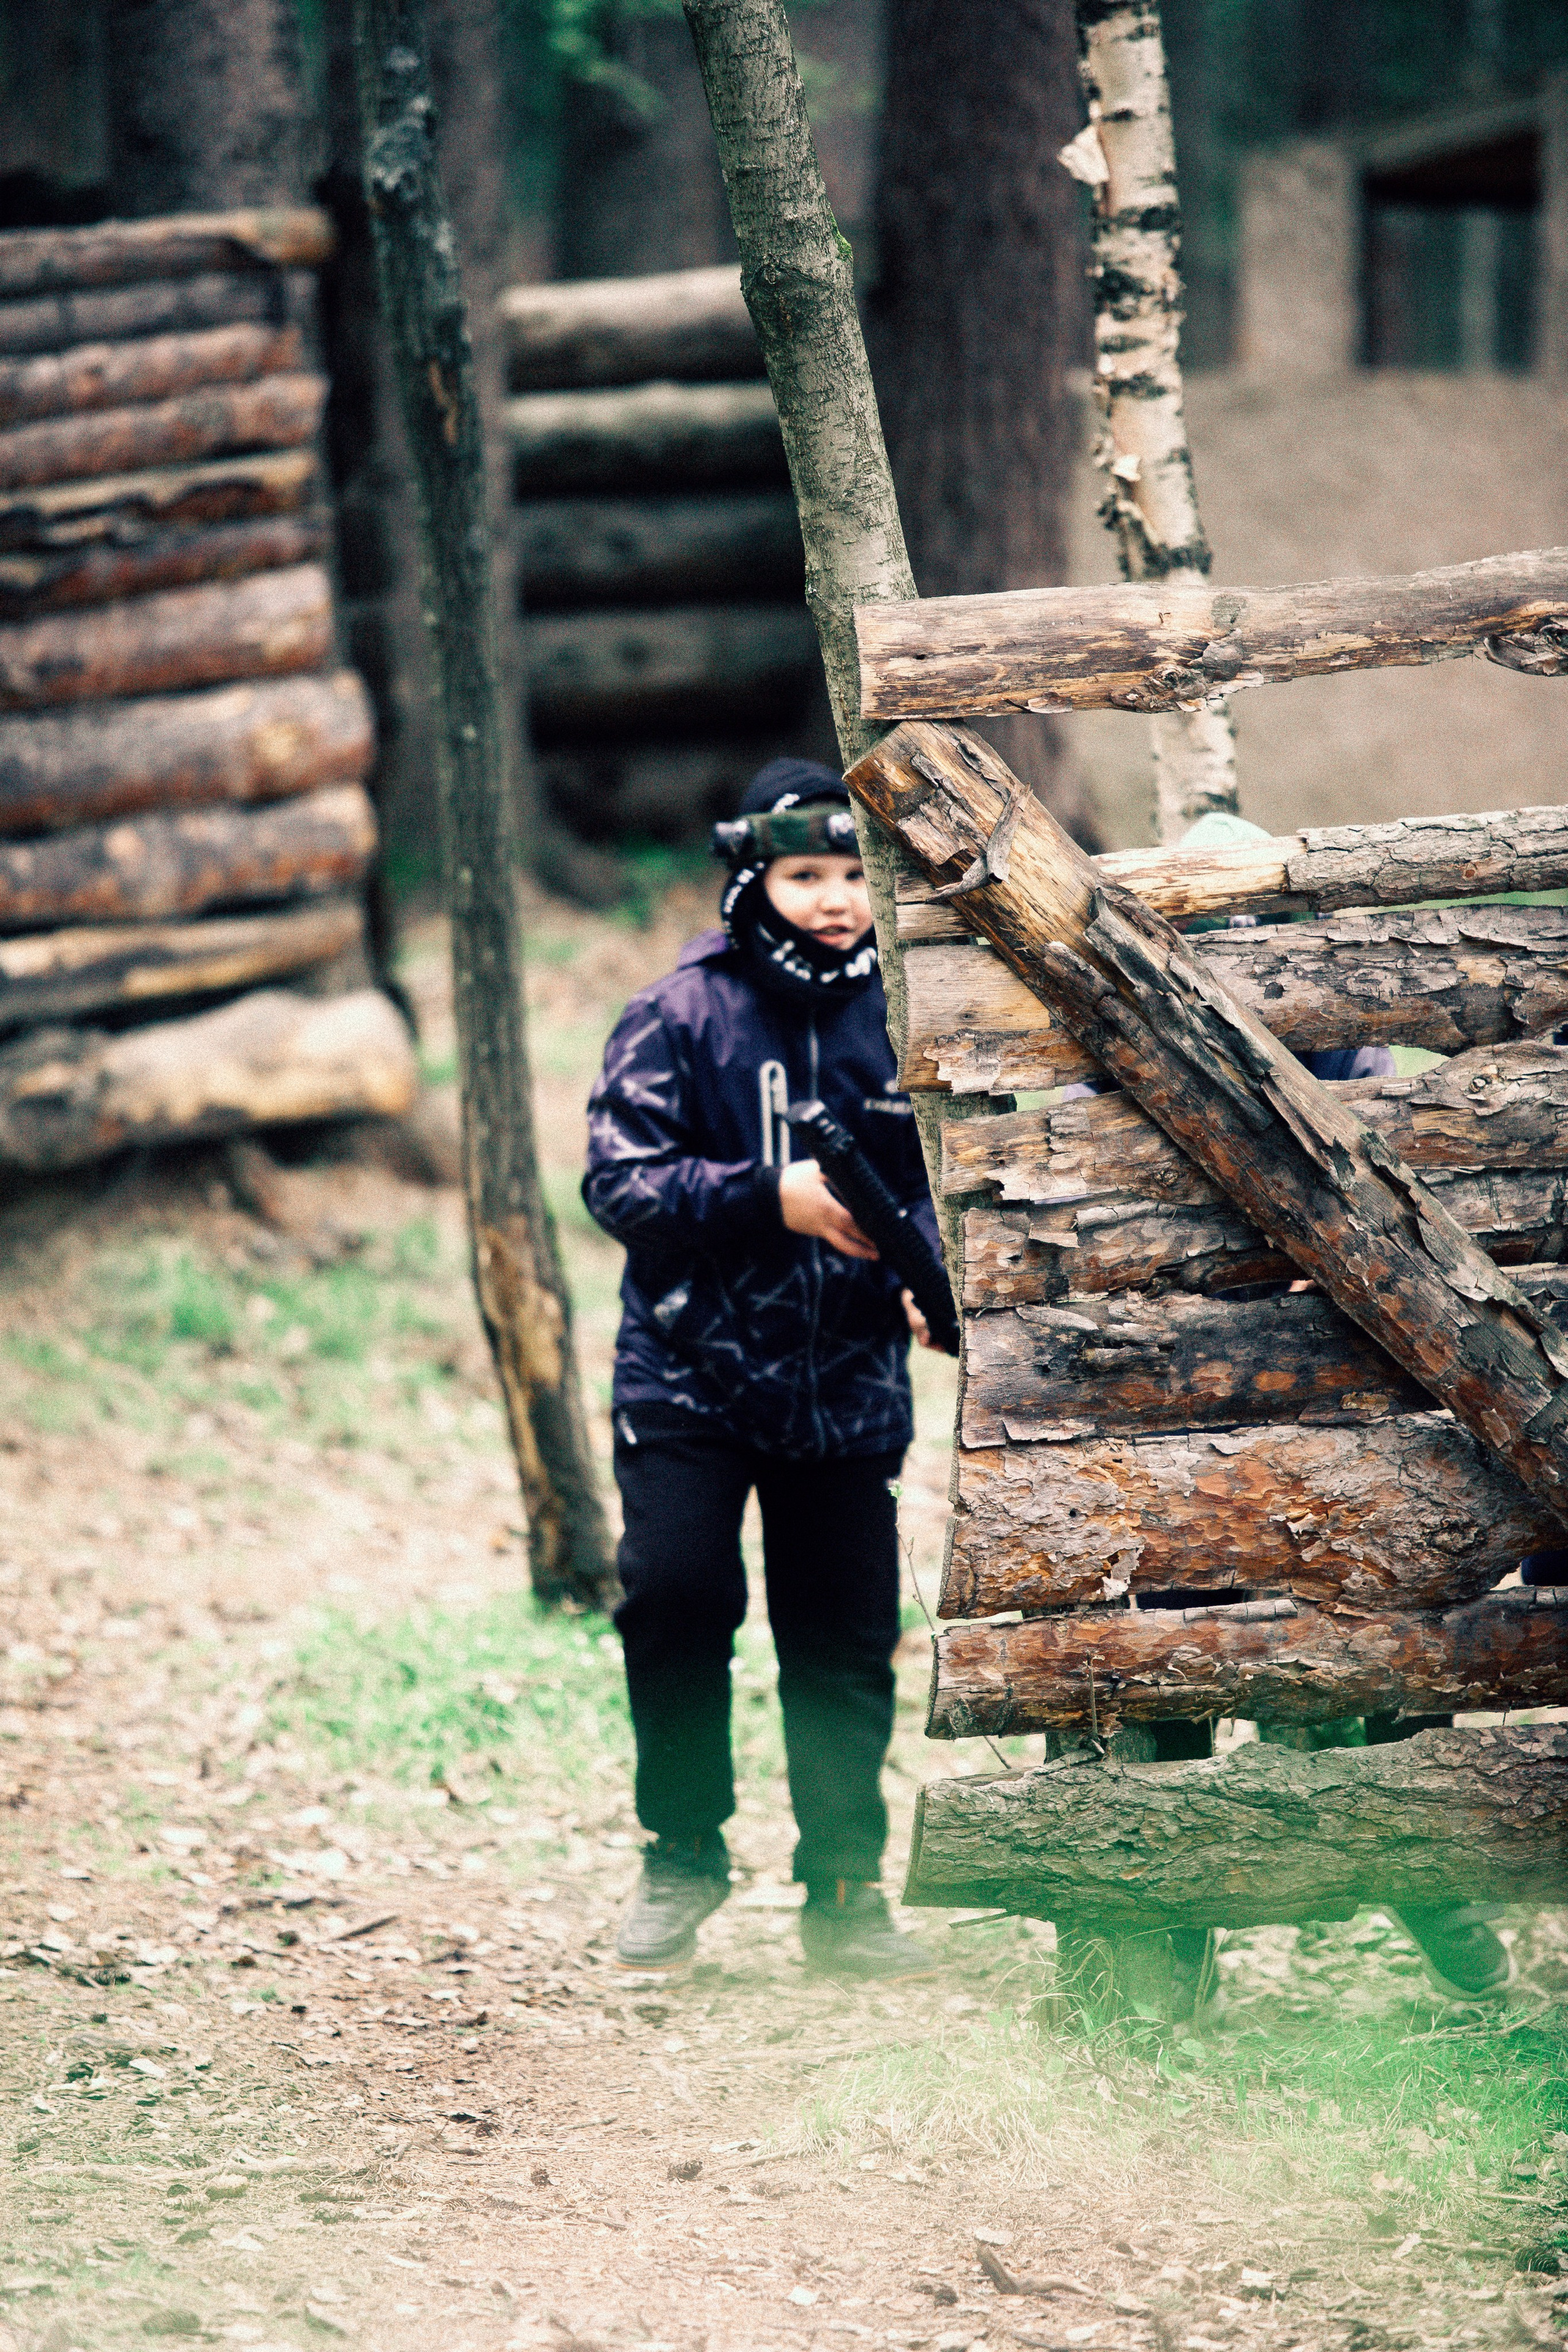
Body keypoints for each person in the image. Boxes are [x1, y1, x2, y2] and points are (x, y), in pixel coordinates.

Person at [582, 758, 943, 1981]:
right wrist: (768, 1197)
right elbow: (618, 1183)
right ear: (752, 876)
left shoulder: (911, 1012)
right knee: (674, 1599)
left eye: (854, 874)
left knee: (839, 1638)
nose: (836, 899)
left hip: (846, 1377)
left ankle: (843, 1893)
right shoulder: (681, 1012)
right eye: (805, 875)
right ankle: (681, 1854)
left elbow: (956, 1179)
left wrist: (931, 1273)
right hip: (687, 1368)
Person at [1167, 812, 1513, 2008]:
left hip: (1346, 1412)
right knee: (1170, 1655)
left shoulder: (1353, 1055)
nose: (1249, 958)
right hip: (1179, 1416)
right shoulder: (1127, 1051)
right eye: (1220, 931)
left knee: (1383, 1657)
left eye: (1268, 931)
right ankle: (1163, 1924)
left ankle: (1426, 1879)